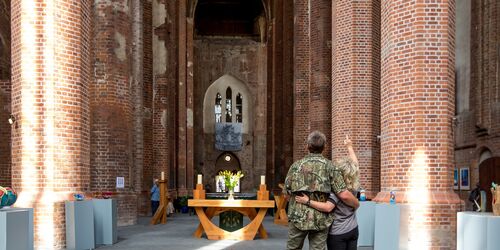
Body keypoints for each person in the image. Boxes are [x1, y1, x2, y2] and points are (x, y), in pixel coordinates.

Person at [284, 131, 360, 250]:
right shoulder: (331, 167)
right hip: (320, 219)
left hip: (298, 217)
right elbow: (344, 194)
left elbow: (287, 193)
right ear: (324, 147)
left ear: (307, 146)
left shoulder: (295, 166)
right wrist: (356, 203)